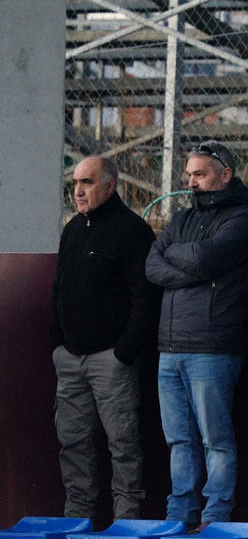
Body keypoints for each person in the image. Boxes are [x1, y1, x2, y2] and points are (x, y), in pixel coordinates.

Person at [144, 140, 248, 529]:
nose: (191, 182)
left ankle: (214, 516)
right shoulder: (180, 220)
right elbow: (152, 265)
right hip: (169, 346)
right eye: (189, 174)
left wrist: (187, 259)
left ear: (225, 175)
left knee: (215, 439)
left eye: (200, 174)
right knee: (179, 440)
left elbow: (201, 258)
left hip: (213, 346)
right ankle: (180, 513)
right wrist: (189, 267)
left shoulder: (242, 220)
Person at [50, 156, 157, 520]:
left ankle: (126, 519)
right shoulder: (72, 230)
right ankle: (77, 518)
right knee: (73, 442)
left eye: (87, 182)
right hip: (70, 358)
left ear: (110, 185)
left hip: (112, 360)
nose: (78, 191)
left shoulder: (132, 231)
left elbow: (146, 298)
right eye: (75, 183)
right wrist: (58, 345)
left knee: (122, 443)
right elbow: (58, 289)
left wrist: (123, 352)